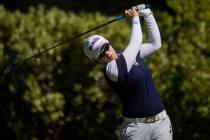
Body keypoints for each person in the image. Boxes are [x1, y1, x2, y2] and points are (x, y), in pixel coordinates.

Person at [83, 5, 173, 140]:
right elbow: (136, 41)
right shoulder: (112, 70)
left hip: (161, 125)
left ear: (109, 43)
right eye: (102, 54)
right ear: (97, 61)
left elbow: (155, 44)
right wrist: (135, 17)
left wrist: (147, 15)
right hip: (135, 131)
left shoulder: (128, 56)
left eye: (106, 47)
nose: (108, 53)